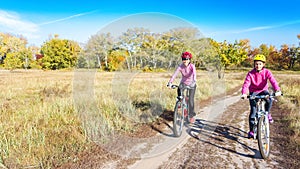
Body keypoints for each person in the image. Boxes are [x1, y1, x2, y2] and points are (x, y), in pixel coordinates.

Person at [241, 54, 281, 138]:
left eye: (260, 64)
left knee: (269, 99)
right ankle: (251, 130)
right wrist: (244, 93)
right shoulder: (250, 74)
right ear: (254, 64)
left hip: (263, 91)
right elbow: (246, 84)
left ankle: (267, 113)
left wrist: (277, 90)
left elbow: (273, 81)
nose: (258, 65)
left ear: (263, 64)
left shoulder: (267, 72)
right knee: (253, 112)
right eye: (256, 64)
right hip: (253, 92)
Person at [167, 51, 197, 123]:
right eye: (184, 59)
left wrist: (194, 81)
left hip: (192, 84)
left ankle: (191, 115)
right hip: (183, 83)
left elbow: (194, 74)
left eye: (187, 59)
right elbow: (175, 74)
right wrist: (170, 82)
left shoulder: (192, 66)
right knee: (179, 90)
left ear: (189, 59)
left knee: (191, 100)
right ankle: (180, 102)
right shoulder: (180, 66)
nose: (185, 60)